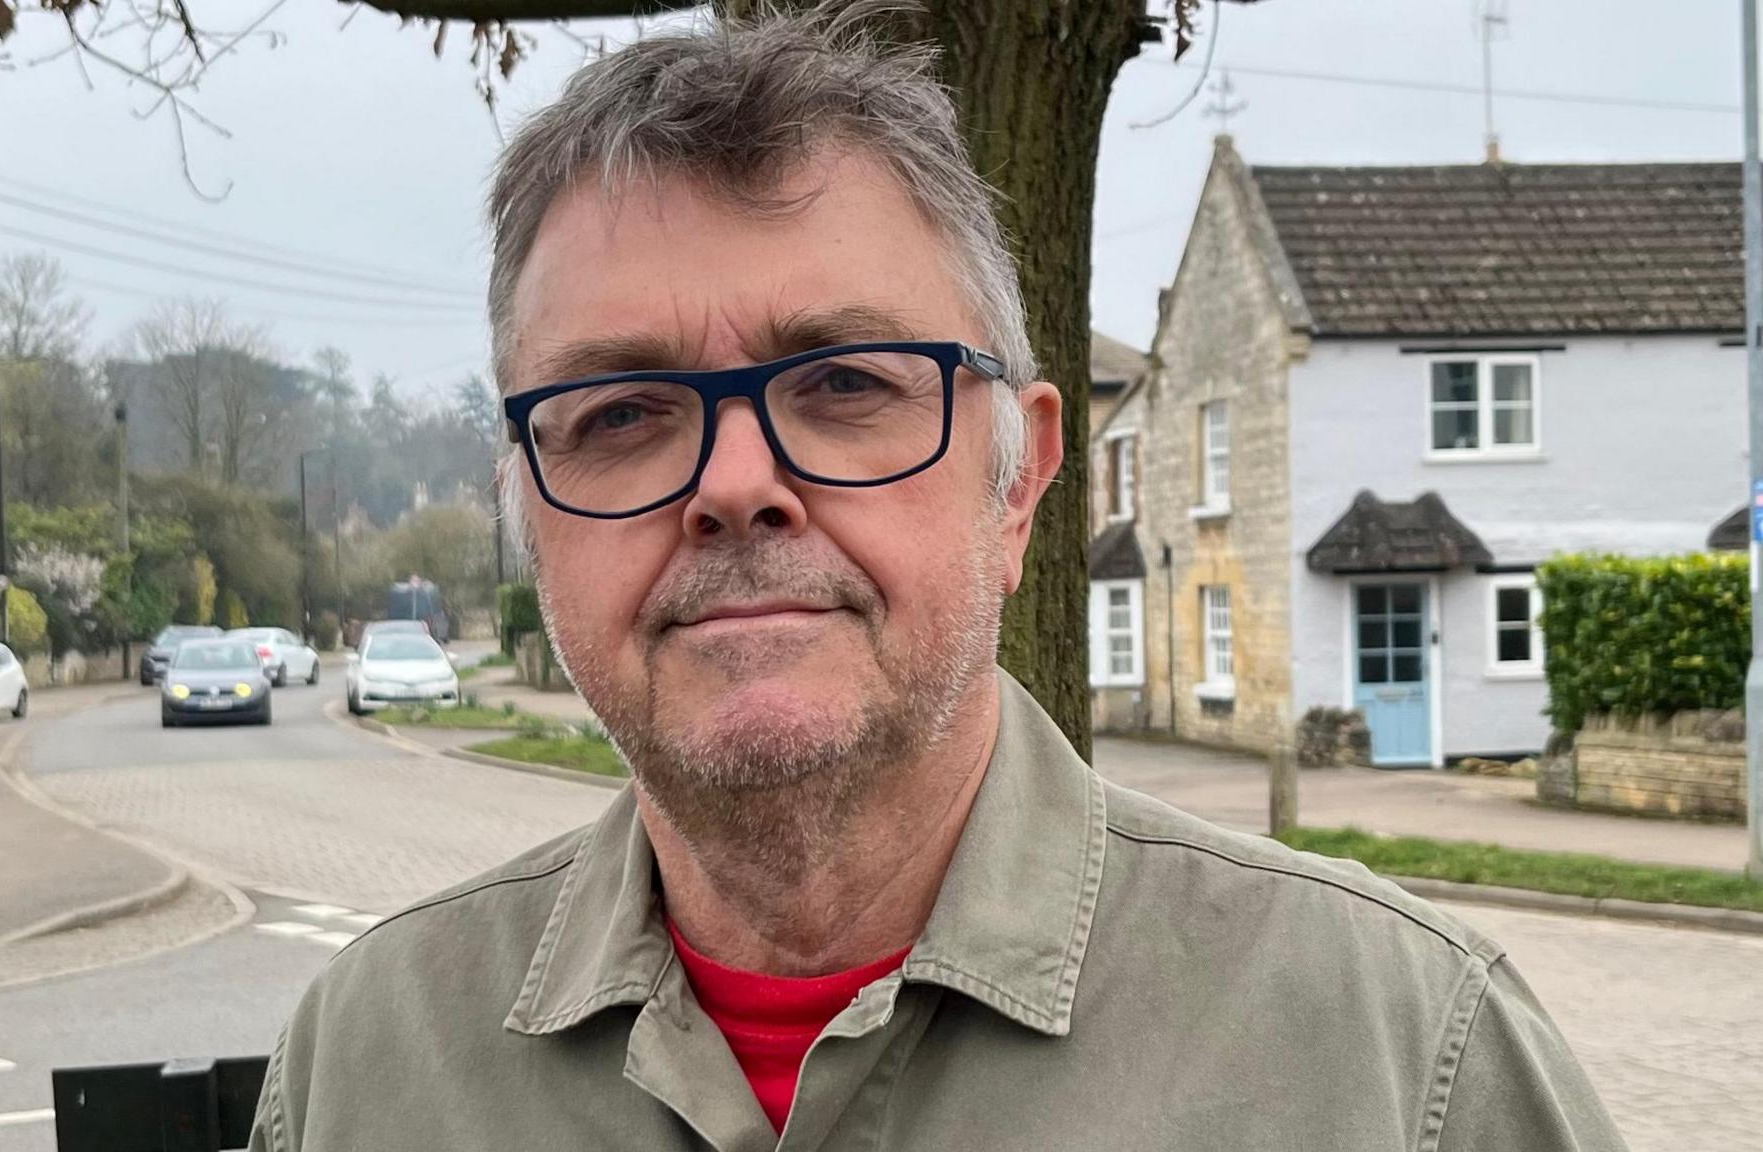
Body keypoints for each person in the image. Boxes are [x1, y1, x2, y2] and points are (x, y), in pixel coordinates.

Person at [249, 6, 1627, 1150]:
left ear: (1020, 479)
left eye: (845, 382)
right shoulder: (367, 1069)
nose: (735, 484)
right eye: (619, 414)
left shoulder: (1399, 1064)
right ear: (521, 505)